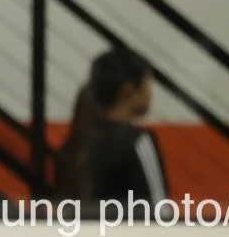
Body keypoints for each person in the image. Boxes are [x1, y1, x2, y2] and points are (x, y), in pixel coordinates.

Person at [54, 46, 169, 219]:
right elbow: (160, 210)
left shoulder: (73, 145)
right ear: (129, 91)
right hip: (129, 235)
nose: (151, 94)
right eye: (147, 85)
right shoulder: (138, 141)